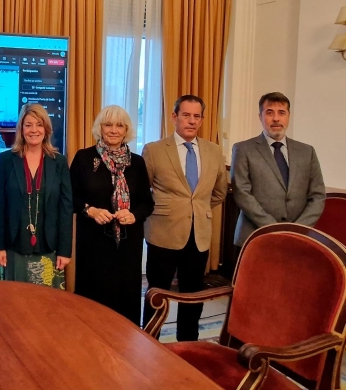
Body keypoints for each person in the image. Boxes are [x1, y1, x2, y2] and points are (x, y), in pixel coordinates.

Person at [141, 95, 227, 339]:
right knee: (158, 293)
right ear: (174, 117)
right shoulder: (155, 150)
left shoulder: (213, 151)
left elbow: (219, 192)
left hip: (199, 233)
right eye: (186, 115)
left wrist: (196, 209)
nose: (191, 121)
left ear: (202, 119)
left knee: (193, 293)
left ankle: (188, 342)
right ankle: (150, 341)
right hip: (163, 232)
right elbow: (143, 190)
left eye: (196, 116)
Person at [70, 106, 154, 326]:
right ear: (100, 128)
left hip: (128, 244)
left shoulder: (137, 162)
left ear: (127, 130)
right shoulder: (84, 158)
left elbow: (147, 203)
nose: (114, 130)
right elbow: (70, 197)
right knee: (93, 303)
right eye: (108, 124)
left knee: (125, 303)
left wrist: (134, 215)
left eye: (120, 125)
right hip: (93, 244)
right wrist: (90, 210)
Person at [0, 104, 72, 288]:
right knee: (15, 303)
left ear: (46, 129)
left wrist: (65, 250)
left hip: (49, 246)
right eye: (28, 125)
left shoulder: (59, 161)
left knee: (47, 307)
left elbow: (65, 209)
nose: (33, 130)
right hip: (13, 246)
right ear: (21, 129)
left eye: (39, 124)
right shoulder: (6, 160)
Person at [231, 92, 325, 248]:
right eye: (269, 112)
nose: (276, 118)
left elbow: (318, 195)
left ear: (288, 116)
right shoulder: (243, 149)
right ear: (260, 116)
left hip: (298, 238)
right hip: (255, 237)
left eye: (281, 113)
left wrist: (297, 229)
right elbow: (242, 193)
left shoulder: (307, 152)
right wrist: (273, 228)